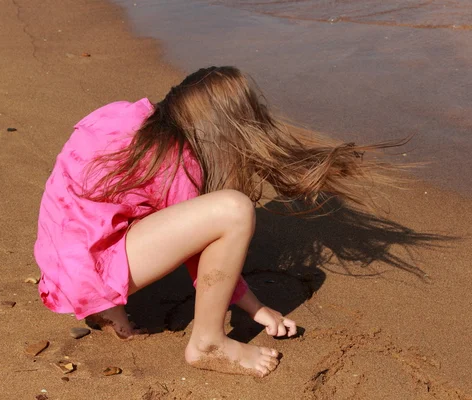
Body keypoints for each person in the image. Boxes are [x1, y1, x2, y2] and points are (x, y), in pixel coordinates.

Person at [34, 66, 402, 377]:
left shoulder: (124, 116)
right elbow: (201, 256)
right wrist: (256, 308)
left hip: (60, 260)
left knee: (111, 210)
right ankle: (208, 342)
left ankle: (107, 309)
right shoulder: (176, 166)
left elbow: (78, 197)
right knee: (233, 209)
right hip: (87, 274)